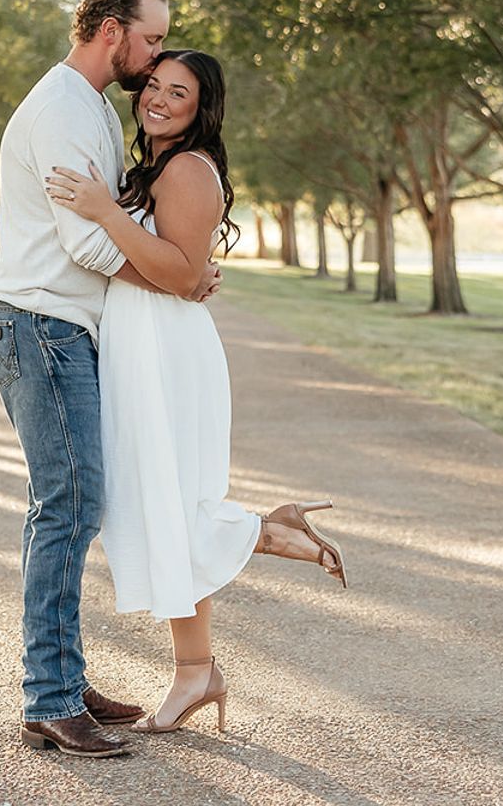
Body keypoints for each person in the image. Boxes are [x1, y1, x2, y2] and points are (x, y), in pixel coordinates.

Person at [45, 48, 346, 736]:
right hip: (141, 345)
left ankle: (268, 534)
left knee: (169, 505)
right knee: (158, 505)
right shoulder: (158, 164)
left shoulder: (186, 167)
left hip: (167, 354)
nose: (157, 97)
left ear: (199, 107)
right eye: (153, 83)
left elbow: (180, 275)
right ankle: (196, 671)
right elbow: (178, 268)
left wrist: (102, 209)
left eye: (176, 92)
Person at [0, 0, 221, 759]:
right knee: (68, 507)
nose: (153, 61)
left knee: (76, 505)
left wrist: (179, 267)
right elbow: (87, 242)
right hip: (39, 323)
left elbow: (108, 226)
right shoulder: (62, 109)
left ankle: (64, 680)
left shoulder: (85, 109)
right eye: (151, 39)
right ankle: (48, 699)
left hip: (58, 328)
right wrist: (181, 277)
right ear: (112, 30)